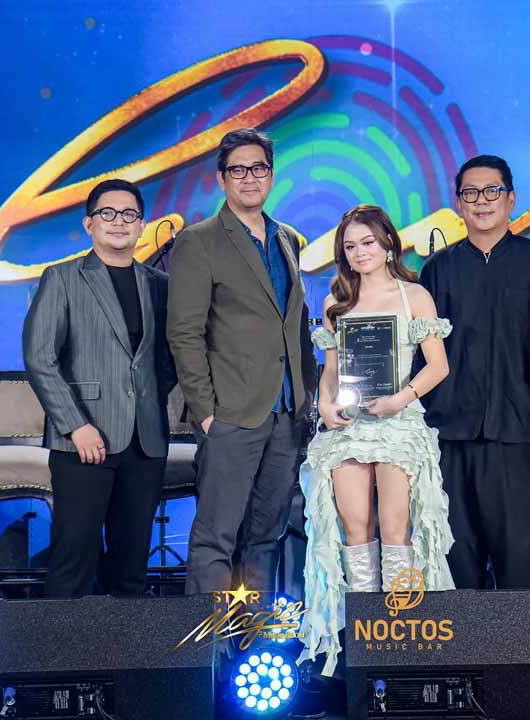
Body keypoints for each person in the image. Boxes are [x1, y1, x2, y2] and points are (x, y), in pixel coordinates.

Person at [298, 204, 455, 676]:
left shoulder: (414, 296)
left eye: (367, 242)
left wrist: (400, 399)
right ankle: (363, 639)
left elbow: (439, 366)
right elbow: (330, 371)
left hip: (398, 424)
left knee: (395, 528)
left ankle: (400, 631)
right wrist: (326, 405)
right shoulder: (337, 300)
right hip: (349, 428)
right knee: (354, 529)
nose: (359, 252)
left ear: (388, 243)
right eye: (350, 246)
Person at [167, 128, 317, 596]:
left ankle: (254, 635)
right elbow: (184, 333)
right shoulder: (199, 241)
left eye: (258, 168)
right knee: (217, 536)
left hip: (287, 413)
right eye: (238, 170)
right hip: (230, 413)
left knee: (266, 537)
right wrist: (207, 413)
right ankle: (208, 638)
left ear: (271, 175)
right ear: (222, 178)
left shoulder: (286, 238)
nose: (249, 178)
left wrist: (307, 397)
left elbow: (294, 325)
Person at [23, 178, 177, 598]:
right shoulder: (62, 278)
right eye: (107, 213)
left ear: (142, 225)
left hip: (145, 439)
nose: (118, 221)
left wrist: (147, 401)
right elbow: (40, 358)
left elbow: (167, 360)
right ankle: (59, 643)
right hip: (83, 439)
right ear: (89, 223)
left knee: (131, 566)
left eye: (129, 214)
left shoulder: (159, 284)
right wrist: (76, 425)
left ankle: (123, 642)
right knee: (74, 558)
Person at [414, 154, 530, 590]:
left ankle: (523, 638)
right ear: (458, 203)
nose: (482, 200)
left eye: (492, 191)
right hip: (450, 434)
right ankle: (464, 640)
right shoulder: (437, 269)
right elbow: (421, 352)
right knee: (455, 562)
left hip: (520, 431)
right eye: (470, 193)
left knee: (524, 562)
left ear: (511, 199)